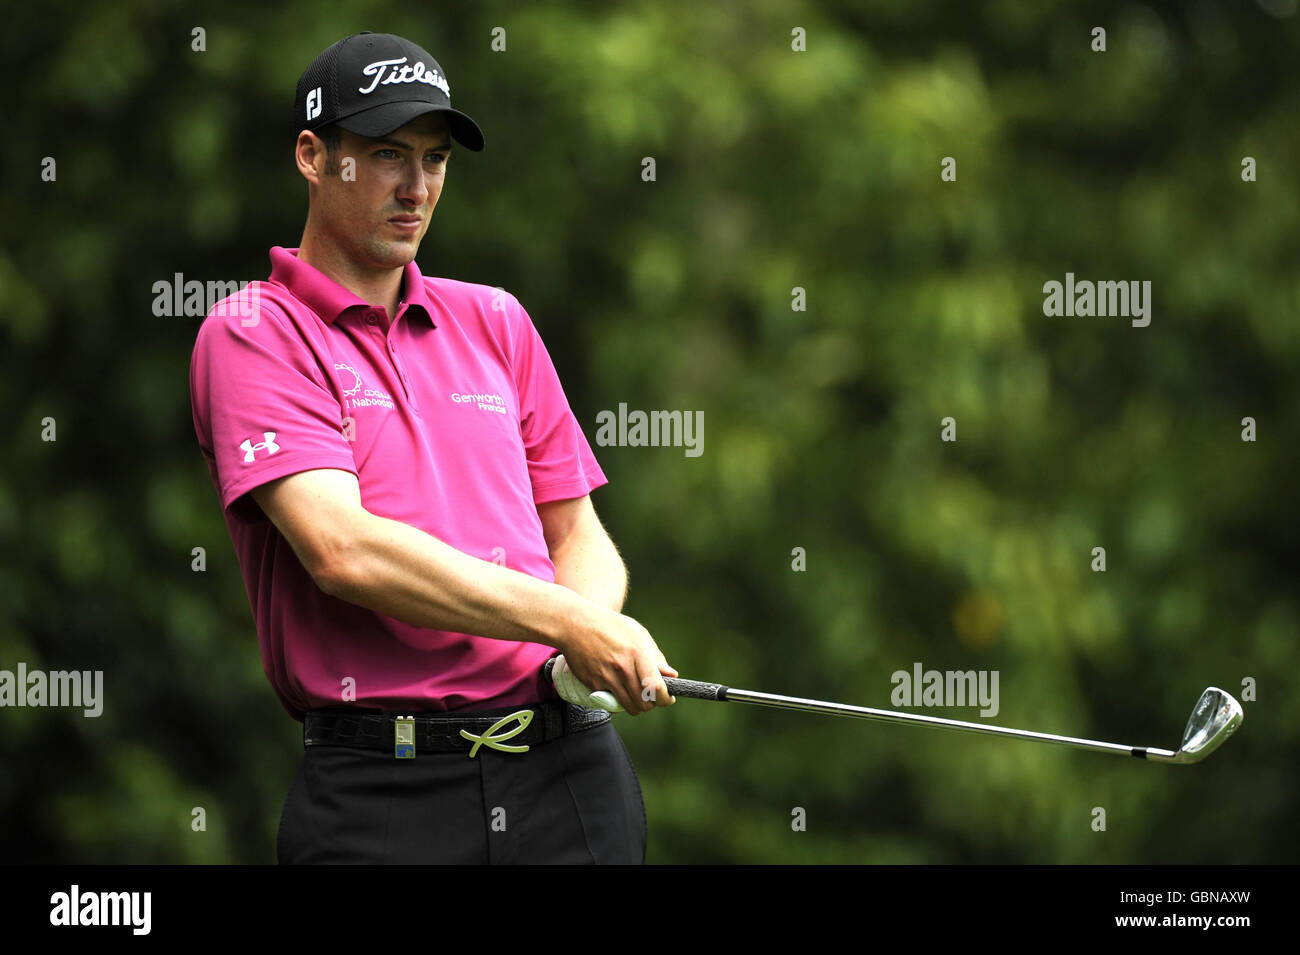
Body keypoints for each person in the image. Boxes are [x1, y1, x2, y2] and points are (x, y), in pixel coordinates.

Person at [189, 31, 676, 864]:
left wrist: (586, 640)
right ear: (314, 155)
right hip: (385, 795)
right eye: (386, 155)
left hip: (569, 775)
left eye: (435, 159)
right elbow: (343, 550)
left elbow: (576, 532)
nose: (416, 188)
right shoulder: (255, 332)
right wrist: (570, 619)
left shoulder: (496, 319)